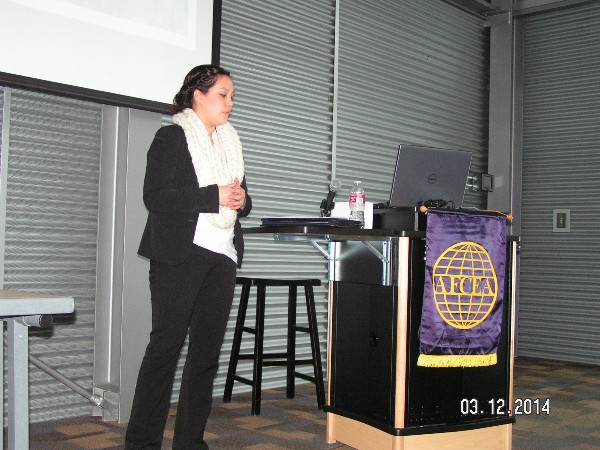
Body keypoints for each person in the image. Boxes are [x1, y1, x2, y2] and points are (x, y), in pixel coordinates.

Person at [125, 64, 252, 449]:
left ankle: (190, 443)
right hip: (181, 254)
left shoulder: (231, 142)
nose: (230, 103)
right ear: (198, 96)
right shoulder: (172, 138)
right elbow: (156, 197)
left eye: (232, 96)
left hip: (223, 255)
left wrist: (243, 201)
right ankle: (142, 443)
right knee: (166, 349)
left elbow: (239, 199)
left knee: (205, 357)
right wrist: (213, 195)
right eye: (222, 95)